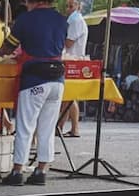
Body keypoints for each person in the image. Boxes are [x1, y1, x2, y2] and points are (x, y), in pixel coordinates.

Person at [0, 0, 67, 186]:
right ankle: (41, 170)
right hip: (58, 79)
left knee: (25, 127)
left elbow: (8, 47)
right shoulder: (62, 20)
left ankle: (17, 171)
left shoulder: (25, 19)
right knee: (47, 128)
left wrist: (0, 52)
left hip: (35, 79)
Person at [57, 0, 87, 138]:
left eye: (71, 6)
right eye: (68, 6)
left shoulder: (76, 20)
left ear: (78, 6)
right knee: (68, 96)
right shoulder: (73, 20)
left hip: (73, 59)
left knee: (69, 96)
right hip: (71, 59)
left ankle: (71, 127)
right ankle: (62, 126)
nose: (68, 9)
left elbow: (69, 42)